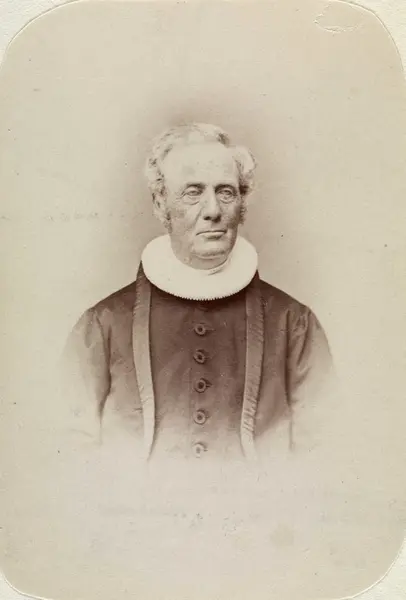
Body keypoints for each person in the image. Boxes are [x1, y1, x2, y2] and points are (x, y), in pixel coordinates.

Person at [62, 122, 333, 464]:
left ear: (242, 205)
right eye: (193, 192)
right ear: (160, 204)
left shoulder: (295, 324)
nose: (213, 211)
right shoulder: (102, 326)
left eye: (226, 192)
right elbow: (68, 455)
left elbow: (324, 455)